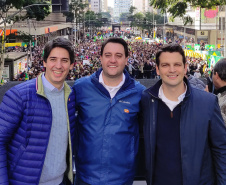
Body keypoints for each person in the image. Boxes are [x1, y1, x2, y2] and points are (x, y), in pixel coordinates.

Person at [141, 44, 226, 185]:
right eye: (165, 65)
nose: (172, 70)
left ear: (185, 67)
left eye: (177, 64)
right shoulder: (146, 100)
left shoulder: (208, 103)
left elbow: (221, 149)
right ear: (157, 69)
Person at [0, 37, 76, 185]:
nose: (58, 65)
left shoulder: (72, 97)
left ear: (72, 65)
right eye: (53, 59)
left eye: (64, 60)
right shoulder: (19, 95)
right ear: (44, 62)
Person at [73, 37, 145, 185]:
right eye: (108, 55)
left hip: (122, 178)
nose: (113, 60)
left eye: (118, 56)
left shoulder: (139, 93)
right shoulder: (81, 88)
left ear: (126, 59)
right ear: (100, 58)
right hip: (85, 177)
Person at [212, 58, 226, 124]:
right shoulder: (220, 94)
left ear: (216, 75)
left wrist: (207, 102)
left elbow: (220, 125)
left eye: (212, 74)